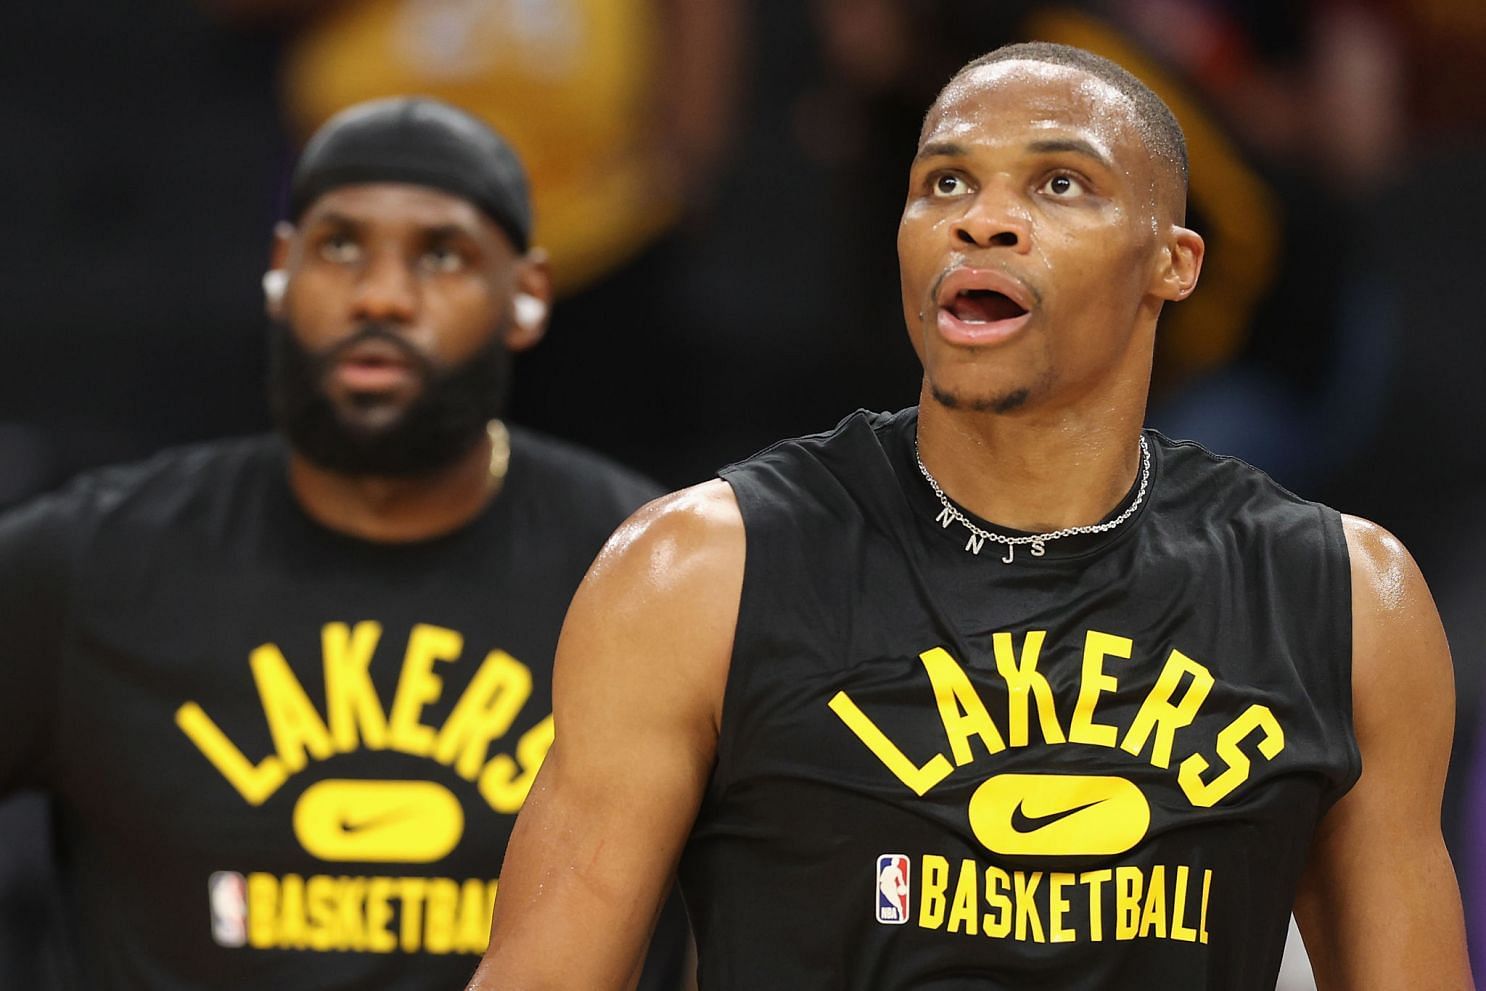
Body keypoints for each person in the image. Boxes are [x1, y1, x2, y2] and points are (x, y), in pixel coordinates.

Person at [469, 43, 1473, 989]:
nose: (981, 219)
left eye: (1058, 184)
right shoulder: (697, 571)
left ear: (1173, 263)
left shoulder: (1339, 599)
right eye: (944, 183)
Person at [0, 97, 686, 989]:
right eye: (339, 247)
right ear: (282, 271)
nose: (381, 295)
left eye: (441, 255)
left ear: (526, 295)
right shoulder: (89, 565)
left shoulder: (656, 578)